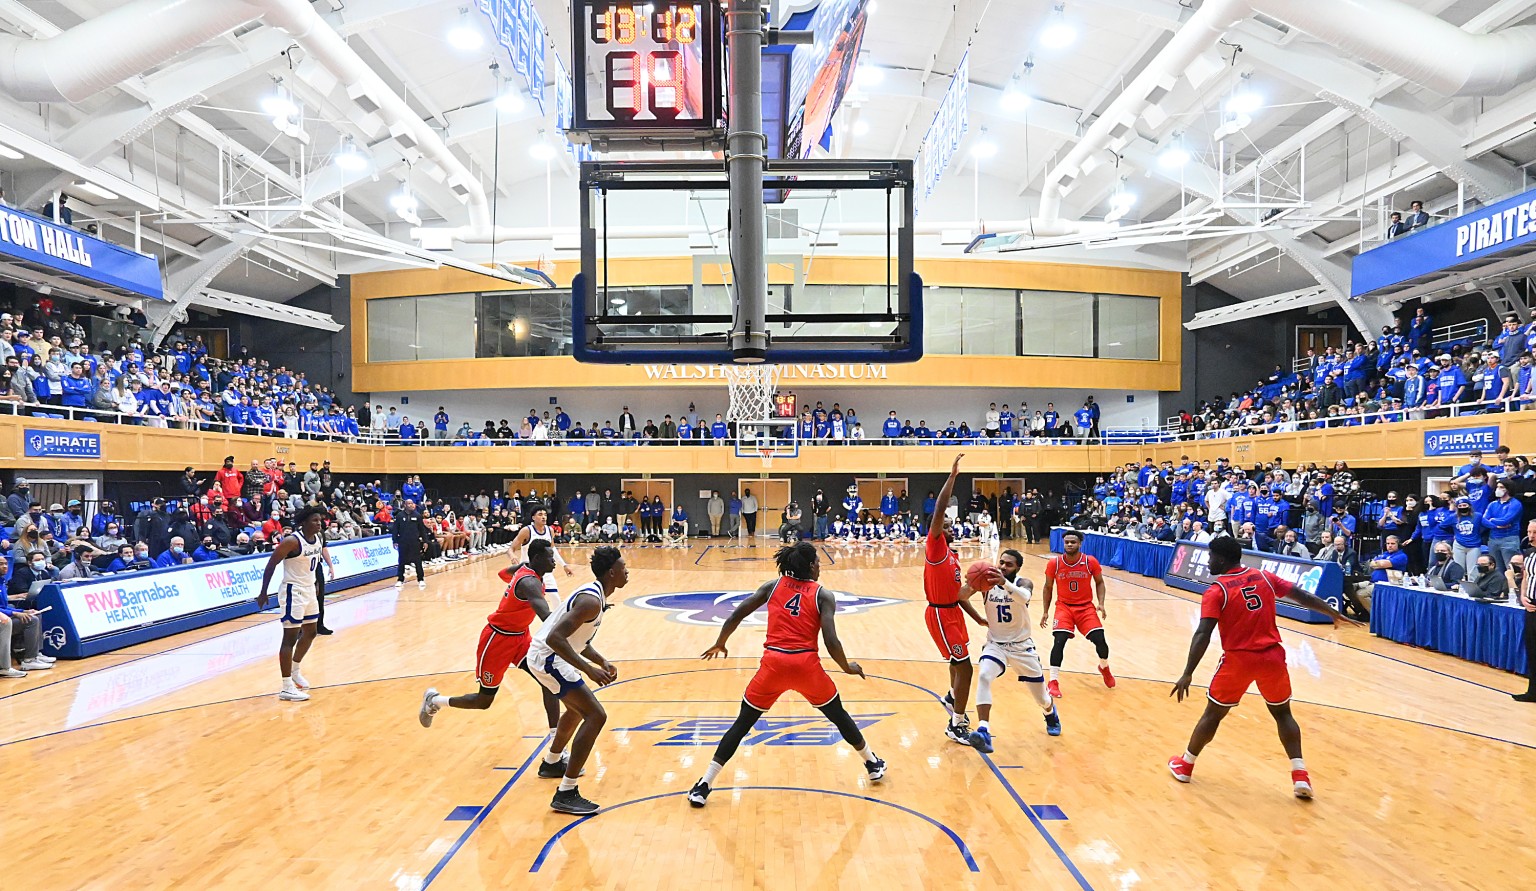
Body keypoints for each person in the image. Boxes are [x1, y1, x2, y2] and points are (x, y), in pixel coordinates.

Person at [689, 542, 886, 806]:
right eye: (817, 562)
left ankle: (704, 784)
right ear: (809, 566)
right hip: (806, 666)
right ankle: (872, 763)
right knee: (838, 715)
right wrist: (846, 667)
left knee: (742, 724)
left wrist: (721, 641)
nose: (819, 566)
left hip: (774, 665)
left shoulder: (773, 587)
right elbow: (832, 641)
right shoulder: (823, 595)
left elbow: (736, 614)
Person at [1168, 536, 1357, 799]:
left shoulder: (1217, 590)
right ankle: (1300, 774)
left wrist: (1188, 672)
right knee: (1283, 714)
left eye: (1211, 556)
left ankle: (1185, 765)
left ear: (1221, 559)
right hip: (1272, 658)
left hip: (1239, 660)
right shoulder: (1264, 576)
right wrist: (1331, 612)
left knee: (1213, 715)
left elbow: (1203, 633)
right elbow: (1300, 594)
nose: (1209, 561)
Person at [419, 541, 562, 739]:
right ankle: (435, 701)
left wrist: (517, 571)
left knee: (548, 680)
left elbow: (502, 574)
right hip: (497, 641)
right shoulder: (530, 583)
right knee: (483, 701)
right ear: (537, 559)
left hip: (521, 638)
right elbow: (547, 618)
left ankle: (556, 738)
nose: (554, 561)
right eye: (550, 557)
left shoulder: (527, 570)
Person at [524, 546, 628, 815]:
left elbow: (577, 640)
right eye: (624, 567)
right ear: (612, 572)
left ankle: (552, 762)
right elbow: (555, 639)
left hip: (550, 655)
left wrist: (601, 661)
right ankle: (566, 792)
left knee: (576, 709)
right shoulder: (591, 601)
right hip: (547, 657)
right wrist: (589, 671)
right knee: (595, 715)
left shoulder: (597, 597)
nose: (627, 571)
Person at [965, 549, 1061, 753]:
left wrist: (1003, 583)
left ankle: (1050, 713)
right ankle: (984, 731)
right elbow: (960, 596)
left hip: (1022, 647)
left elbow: (1024, 597)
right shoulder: (987, 583)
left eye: (1008, 564)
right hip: (996, 645)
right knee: (983, 676)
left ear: (1017, 567)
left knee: (1041, 699)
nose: (1002, 567)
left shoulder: (1022, 583)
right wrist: (972, 583)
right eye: (1001, 562)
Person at [925, 454, 989, 745]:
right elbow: (939, 510)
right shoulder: (935, 548)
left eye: (950, 525)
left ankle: (952, 698)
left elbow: (958, 594)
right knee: (965, 666)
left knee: (957, 662)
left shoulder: (952, 555)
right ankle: (957, 723)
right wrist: (952, 478)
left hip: (953, 612)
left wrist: (976, 616)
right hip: (940, 614)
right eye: (945, 525)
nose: (949, 527)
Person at [257, 507, 332, 702]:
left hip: (308, 589)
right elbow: (271, 563)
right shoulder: (292, 541)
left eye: (320, 520)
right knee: (289, 638)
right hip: (293, 591)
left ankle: (295, 669)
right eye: (315, 520)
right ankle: (286, 686)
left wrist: (315, 584)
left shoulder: (319, 538)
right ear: (304, 522)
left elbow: (313, 565)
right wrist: (264, 592)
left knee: (311, 632)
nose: (319, 523)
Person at [1038, 529, 1112, 698]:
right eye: (1067, 542)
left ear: (1080, 544)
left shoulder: (1089, 561)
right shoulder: (1054, 563)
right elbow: (1048, 587)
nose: (1069, 544)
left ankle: (1104, 667)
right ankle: (1053, 681)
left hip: (1086, 607)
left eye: (1073, 542)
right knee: (1059, 640)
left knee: (1100, 640)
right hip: (1064, 607)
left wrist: (1101, 603)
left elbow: (1100, 582)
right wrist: (1045, 611)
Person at [510, 508, 576, 596]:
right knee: (530, 602)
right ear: (533, 517)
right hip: (528, 571)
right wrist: (512, 556)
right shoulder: (526, 531)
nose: (544, 517)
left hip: (545, 570)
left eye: (545, 514)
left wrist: (564, 565)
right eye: (540, 514)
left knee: (555, 598)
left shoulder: (550, 530)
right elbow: (511, 549)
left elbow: (552, 550)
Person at [1509, 519, 1536, 703]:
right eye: (1530, 532)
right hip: (1531, 605)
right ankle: (1532, 691)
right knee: (1532, 649)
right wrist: (1523, 596)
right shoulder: (1529, 553)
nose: (1532, 536)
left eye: (1535, 533)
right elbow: (1526, 576)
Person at [392, 499, 429, 589]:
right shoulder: (400, 516)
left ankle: (421, 579)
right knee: (401, 561)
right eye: (408, 503)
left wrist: (425, 541)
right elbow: (395, 529)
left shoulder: (418, 516)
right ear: (405, 505)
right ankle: (400, 579)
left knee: (417, 561)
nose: (410, 505)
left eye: (412, 503)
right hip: (403, 541)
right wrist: (395, 540)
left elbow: (422, 530)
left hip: (414, 542)